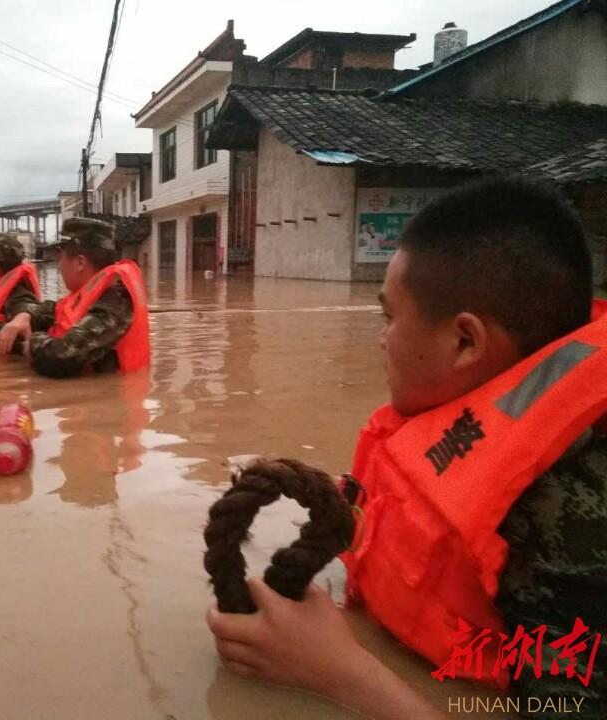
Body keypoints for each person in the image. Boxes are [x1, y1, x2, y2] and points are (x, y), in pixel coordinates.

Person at [206, 176, 607, 719]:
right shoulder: (475, 424)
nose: (381, 339)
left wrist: (341, 676)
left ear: (465, 341)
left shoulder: (569, 514)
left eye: (389, 317)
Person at [0, 217, 150, 378]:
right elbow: (51, 311)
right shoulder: (87, 294)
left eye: (60, 258)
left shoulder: (116, 300)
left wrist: (32, 343)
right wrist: (23, 317)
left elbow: (62, 357)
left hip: (112, 399)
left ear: (80, 262)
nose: (59, 267)